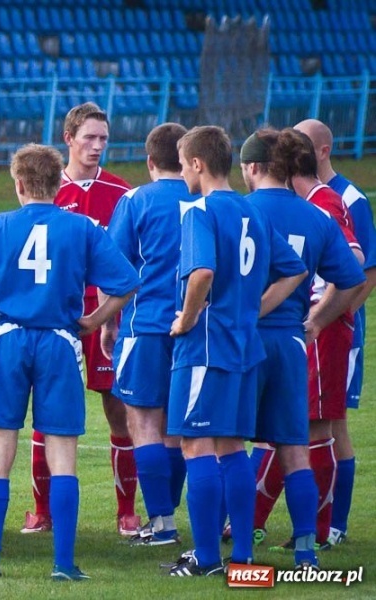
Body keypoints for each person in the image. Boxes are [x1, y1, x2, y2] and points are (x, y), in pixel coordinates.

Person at [0, 143, 141, 580]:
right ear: (56, 184)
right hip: (59, 343)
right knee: (63, 455)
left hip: (9, 341)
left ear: (19, 184)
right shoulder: (83, 228)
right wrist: (93, 320)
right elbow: (127, 283)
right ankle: (63, 564)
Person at [165, 126, 307, 577]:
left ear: (197, 164)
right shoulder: (252, 213)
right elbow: (294, 271)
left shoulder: (200, 211)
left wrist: (185, 320)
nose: (183, 171)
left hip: (207, 347)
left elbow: (202, 272)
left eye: (184, 163)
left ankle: (207, 558)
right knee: (230, 447)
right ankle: (242, 556)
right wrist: (251, 308)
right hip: (245, 346)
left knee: (195, 444)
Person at [240, 127, 364, 569]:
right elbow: (353, 275)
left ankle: (240, 551)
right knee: (296, 445)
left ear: (252, 167)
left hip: (245, 338)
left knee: (229, 444)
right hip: (293, 342)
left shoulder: (239, 209)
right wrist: (313, 321)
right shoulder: (316, 215)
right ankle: (308, 550)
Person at [25, 101, 139, 537]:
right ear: (68, 138)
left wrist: (111, 312)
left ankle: (126, 511)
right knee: (48, 411)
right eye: (88, 138)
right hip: (61, 318)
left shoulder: (122, 193)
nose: (97, 146)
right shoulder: (47, 192)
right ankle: (41, 511)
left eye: (103, 139)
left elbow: (131, 261)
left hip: (109, 317)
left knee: (119, 411)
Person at [101, 123, 193, 546]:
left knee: (143, 422)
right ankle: (170, 519)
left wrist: (107, 323)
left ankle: (161, 523)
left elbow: (112, 270)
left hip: (146, 325)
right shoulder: (205, 197)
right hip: (194, 328)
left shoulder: (135, 199)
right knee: (179, 429)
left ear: (150, 161)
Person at [294, 119, 376, 548]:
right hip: (315, 326)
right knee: (306, 422)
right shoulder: (305, 199)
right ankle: (313, 520)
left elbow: (365, 270)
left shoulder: (348, 199)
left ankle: (335, 522)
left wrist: (338, 317)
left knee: (333, 424)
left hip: (335, 328)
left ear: (321, 151)